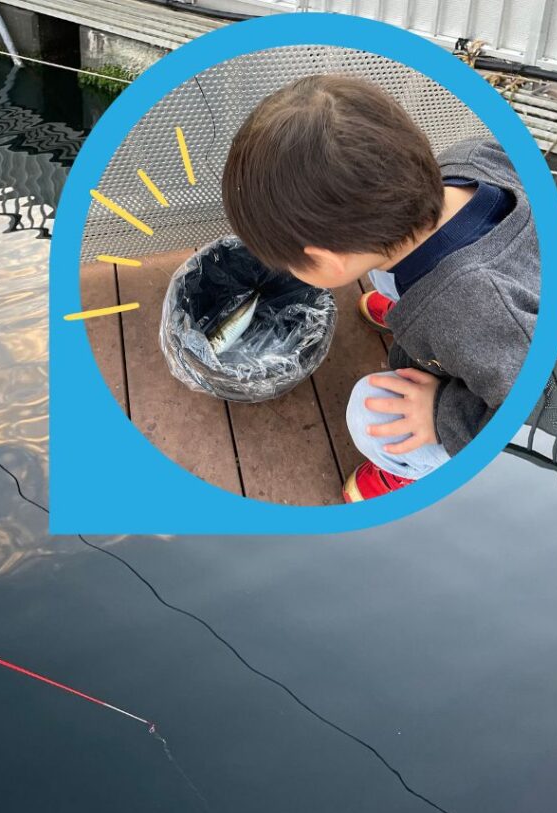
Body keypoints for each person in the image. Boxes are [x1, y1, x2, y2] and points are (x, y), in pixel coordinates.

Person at [221, 74, 539, 501]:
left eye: (290, 264)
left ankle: (409, 469)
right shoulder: (468, 158)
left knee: (368, 413)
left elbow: (531, 408)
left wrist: (443, 414)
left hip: (487, 380)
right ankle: (406, 309)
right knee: (391, 271)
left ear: (328, 261)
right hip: (475, 307)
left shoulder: (475, 312)